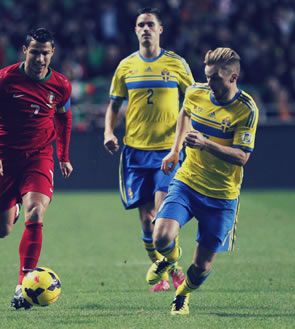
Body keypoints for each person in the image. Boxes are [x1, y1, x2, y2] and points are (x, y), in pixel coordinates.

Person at [145, 47, 259, 315]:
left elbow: (242, 157)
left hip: (221, 195)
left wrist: (206, 144)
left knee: (202, 267)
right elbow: (185, 112)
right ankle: (171, 258)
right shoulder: (197, 92)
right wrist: (175, 151)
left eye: (216, 78)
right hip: (188, 182)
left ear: (233, 77)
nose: (209, 83)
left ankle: (182, 295)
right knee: (160, 237)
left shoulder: (246, 110)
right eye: (207, 76)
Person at [0, 28, 73, 310]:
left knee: (37, 211)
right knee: (2, 231)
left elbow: (64, 118)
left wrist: (62, 155)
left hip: (39, 155)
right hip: (4, 157)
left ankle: (23, 284)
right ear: (24, 51)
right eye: (35, 52)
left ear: (52, 53)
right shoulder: (4, 80)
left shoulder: (62, 85)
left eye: (45, 52)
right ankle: (11, 210)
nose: (40, 58)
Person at [104, 7, 195, 292]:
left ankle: (171, 268)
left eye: (150, 24)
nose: (145, 28)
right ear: (135, 30)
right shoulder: (126, 67)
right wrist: (108, 131)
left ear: (160, 30)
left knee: (160, 216)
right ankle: (168, 270)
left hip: (168, 152)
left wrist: (186, 136)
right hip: (135, 152)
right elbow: (114, 105)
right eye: (140, 24)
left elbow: (193, 100)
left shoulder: (176, 63)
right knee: (146, 220)